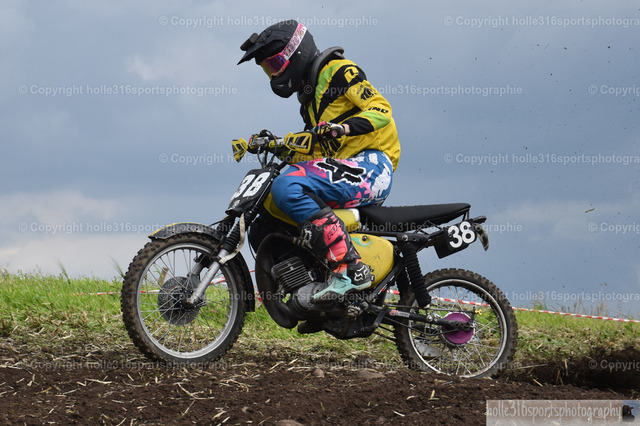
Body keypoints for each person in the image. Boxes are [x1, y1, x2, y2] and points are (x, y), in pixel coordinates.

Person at [238, 20, 400, 303]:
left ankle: (350, 268)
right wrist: (276, 146)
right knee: (267, 207)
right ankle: (306, 282)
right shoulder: (309, 100)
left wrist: (344, 128)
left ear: (297, 53)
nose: (273, 73)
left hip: (372, 166)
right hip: (342, 169)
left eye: (275, 64)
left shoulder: (340, 71)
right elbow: (315, 153)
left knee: (287, 186)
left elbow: (381, 109)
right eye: (267, 68)